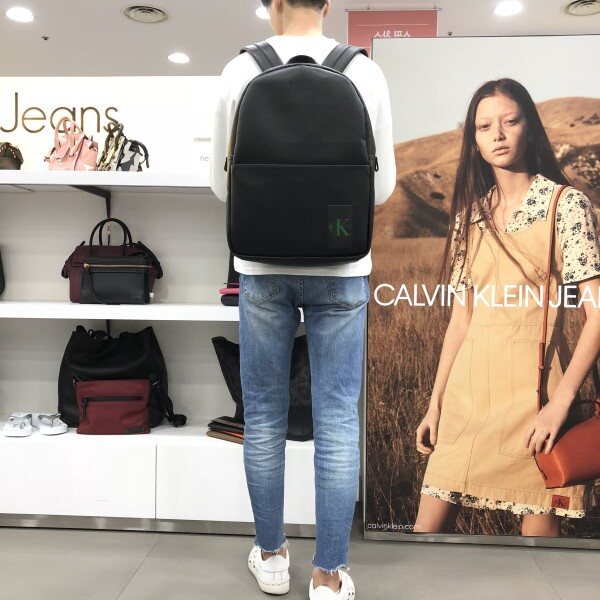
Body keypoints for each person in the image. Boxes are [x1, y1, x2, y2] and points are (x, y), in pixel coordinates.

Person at [210, 0, 396, 597]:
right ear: (327, 4)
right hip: (343, 264)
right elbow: (382, 186)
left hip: (261, 265)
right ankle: (329, 573)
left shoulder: (240, 70)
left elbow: (221, 184)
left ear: (274, 4)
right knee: (337, 418)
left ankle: (271, 556)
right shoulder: (363, 71)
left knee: (264, 415)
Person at [414, 77, 600, 537]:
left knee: (538, 552)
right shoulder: (470, 217)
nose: (497, 134)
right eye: (484, 126)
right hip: (465, 402)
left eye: (510, 121)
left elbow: (597, 313)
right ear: (474, 142)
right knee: (425, 538)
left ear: (530, 129)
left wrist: (560, 405)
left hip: (535, 400)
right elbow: (461, 321)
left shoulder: (566, 205)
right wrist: (435, 405)